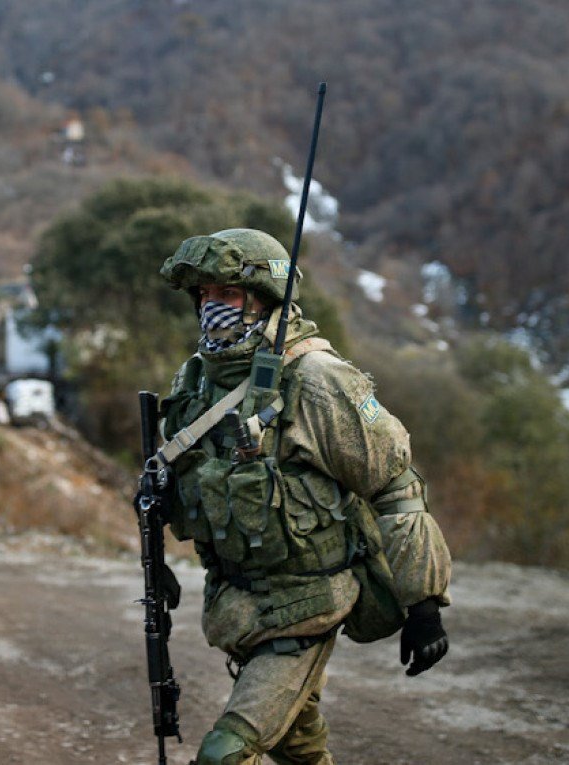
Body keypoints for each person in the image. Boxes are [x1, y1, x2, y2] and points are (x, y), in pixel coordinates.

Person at [153, 228, 452, 765]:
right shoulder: (197, 380)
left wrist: (423, 603)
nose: (210, 308)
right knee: (299, 745)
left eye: (227, 295)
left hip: (309, 603)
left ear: (264, 297)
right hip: (241, 607)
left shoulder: (316, 380)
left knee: (226, 752)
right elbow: (184, 481)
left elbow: (396, 486)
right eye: (203, 296)